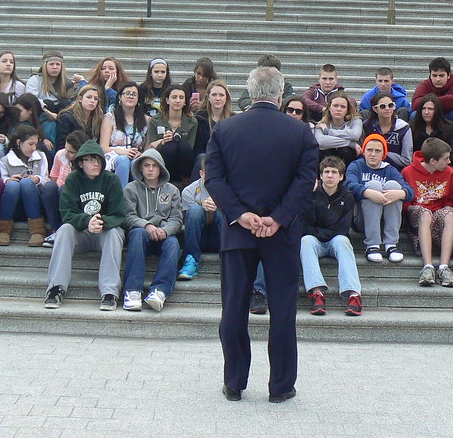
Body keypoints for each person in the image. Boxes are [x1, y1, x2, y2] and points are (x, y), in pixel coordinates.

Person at [205, 66, 318, 404]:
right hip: (281, 234)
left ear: (249, 92)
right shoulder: (300, 132)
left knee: (234, 307)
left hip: (239, 232)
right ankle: (281, 386)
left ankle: (234, 382)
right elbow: (305, 180)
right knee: (283, 310)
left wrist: (241, 214)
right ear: (280, 94)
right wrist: (278, 218)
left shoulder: (224, 129)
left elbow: (213, 179)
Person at [44, 139, 127, 310]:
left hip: (104, 233)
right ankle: (56, 288)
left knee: (114, 232)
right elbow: (67, 212)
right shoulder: (73, 179)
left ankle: (110, 292)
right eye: (90, 159)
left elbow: (119, 214)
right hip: (81, 233)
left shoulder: (111, 180)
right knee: (64, 229)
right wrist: (86, 221)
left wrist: (101, 222)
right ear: (81, 162)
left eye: (98, 159)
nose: (95, 163)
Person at [122, 149, 183, 312]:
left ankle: (159, 291)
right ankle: (132, 291)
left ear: (161, 168)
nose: (150, 169)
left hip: (163, 235)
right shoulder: (130, 189)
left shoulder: (172, 190)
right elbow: (128, 216)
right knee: (137, 233)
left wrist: (165, 230)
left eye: (154, 166)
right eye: (146, 165)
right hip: (141, 236)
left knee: (173, 243)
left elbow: (176, 219)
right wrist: (146, 225)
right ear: (140, 168)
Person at [301, 156, 362, 316]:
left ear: (341, 177)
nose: (330, 175)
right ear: (320, 176)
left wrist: (322, 233)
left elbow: (343, 229)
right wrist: (308, 196)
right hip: (315, 242)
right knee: (305, 240)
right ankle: (317, 293)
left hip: (335, 241)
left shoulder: (347, 196)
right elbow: (304, 226)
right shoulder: (311, 195)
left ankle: (354, 295)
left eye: (334, 172)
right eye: (326, 172)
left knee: (343, 241)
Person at [344, 133, 411, 264]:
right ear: (363, 151)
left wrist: (401, 193)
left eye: (377, 151)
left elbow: (409, 189)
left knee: (394, 186)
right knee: (373, 185)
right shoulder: (356, 166)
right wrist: (367, 192)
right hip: (362, 220)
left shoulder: (390, 170)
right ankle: (372, 245)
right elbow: (348, 184)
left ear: (383, 154)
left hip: (386, 220)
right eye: (369, 150)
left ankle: (391, 244)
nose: (373, 154)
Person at [402, 138, 453, 287]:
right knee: (425, 213)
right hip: (418, 217)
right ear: (433, 161)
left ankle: (444, 267)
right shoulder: (408, 172)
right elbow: (406, 204)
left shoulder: (450, 173)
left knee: (450, 214)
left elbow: (450, 200)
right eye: (445, 158)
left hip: (438, 217)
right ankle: (427, 267)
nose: (449, 162)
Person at [0, 125, 49, 247]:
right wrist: (8, 181)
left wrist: (37, 179)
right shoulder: (4, 161)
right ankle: (3, 229)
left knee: (26, 183)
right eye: (30, 144)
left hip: (34, 203)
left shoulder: (41, 157)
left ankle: (37, 230)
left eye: (35, 144)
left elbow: (47, 181)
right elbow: (1, 181)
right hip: (14, 205)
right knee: (13, 185)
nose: (33, 148)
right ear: (19, 142)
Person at [178, 153, 220, 281]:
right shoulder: (189, 191)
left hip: (220, 238)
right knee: (195, 210)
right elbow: (188, 220)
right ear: (201, 174)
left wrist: (219, 205)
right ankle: (191, 260)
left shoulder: (228, 189)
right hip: (199, 238)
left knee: (225, 212)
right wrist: (203, 206)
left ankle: (229, 260)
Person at [145, 84, 197, 187]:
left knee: (181, 143)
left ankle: (186, 181)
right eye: (174, 97)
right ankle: (163, 179)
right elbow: (151, 147)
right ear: (167, 100)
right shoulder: (155, 120)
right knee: (170, 146)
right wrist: (163, 141)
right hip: (163, 160)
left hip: (183, 162)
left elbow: (189, 147)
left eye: (181, 98)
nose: (178, 101)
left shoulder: (192, 122)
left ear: (185, 102)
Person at [410, 57, 453, 149]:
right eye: (434, 75)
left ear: (448, 75)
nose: (437, 79)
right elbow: (415, 104)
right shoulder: (424, 85)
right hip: (429, 119)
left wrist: (432, 102)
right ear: (430, 75)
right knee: (414, 115)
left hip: (446, 120)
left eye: (441, 75)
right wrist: (442, 103)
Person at [100, 81, 148, 186]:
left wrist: (141, 154)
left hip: (137, 156)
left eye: (134, 94)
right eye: (127, 93)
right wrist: (121, 151)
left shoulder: (146, 120)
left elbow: (148, 148)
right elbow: (103, 148)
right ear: (120, 97)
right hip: (115, 155)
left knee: (137, 162)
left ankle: (140, 197)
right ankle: (120, 197)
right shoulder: (110, 118)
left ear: (138, 99)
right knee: (123, 160)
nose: (130, 96)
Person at [25, 51, 74, 146]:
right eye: (51, 64)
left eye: (58, 64)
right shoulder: (35, 79)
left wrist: (82, 81)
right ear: (45, 65)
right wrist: (48, 112)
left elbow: (75, 100)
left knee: (65, 103)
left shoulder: (67, 83)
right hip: (43, 114)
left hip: (61, 115)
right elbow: (30, 98)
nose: (55, 67)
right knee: (48, 103)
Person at [362, 91, 412, 170]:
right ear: (375, 109)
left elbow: (407, 160)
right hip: (369, 167)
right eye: (382, 106)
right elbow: (362, 152)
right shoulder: (367, 125)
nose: (387, 109)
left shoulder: (404, 128)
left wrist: (384, 154)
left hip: (395, 168)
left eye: (390, 105)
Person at [313, 93, 362, 166]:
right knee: (324, 150)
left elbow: (355, 135)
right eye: (335, 106)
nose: (339, 109)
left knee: (345, 150)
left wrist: (328, 131)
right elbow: (321, 142)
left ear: (347, 110)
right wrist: (350, 143)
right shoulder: (321, 124)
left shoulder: (355, 120)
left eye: (343, 107)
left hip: (348, 158)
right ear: (329, 108)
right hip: (326, 160)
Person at [409, 93, 453, 164]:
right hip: (418, 165)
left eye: (430, 109)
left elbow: (452, 153)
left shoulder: (448, 127)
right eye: (423, 108)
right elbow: (409, 152)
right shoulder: (413, 127)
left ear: (437, 110)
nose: (426, 112)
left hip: (442, 165)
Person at [194, 79, 233, 155]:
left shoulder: (234, 119)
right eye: (214, 95)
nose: (218, 98)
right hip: (205, 159)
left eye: (221, 95)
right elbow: (197, 148)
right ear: (208, 97)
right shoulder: (199, 117)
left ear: (226, 98)